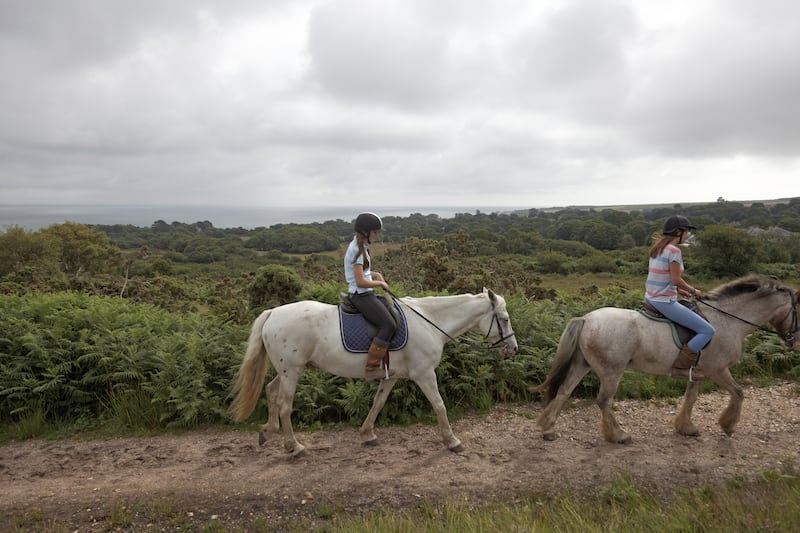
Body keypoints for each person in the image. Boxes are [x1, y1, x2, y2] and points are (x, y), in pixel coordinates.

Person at [644, 215, 715, 381]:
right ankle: (681, 368)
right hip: (664, 302)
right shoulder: (674, 251)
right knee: (707, 330)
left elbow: (665, 277)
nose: (688, 234)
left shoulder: (658, 247)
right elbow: (676, 279)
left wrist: (678, 290)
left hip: (650, 297)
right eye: (687, 231)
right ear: (678, 232)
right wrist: (693, 290)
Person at [344, 212, 397, 380]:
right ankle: (371, 368)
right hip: (360, 295)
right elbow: (360, 282)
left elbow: (363, 273)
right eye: (374, 232)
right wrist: (380, 284)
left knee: (392, 311)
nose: (376, 235)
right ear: (365, 232)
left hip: (365, 293)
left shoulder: (361, 248)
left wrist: (375, 274)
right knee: (388, 325)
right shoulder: (357, 252)